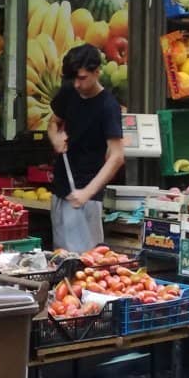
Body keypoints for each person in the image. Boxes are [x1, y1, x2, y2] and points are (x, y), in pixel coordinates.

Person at [47, 43, 125, 251]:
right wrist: (55, 138)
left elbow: (117, 157)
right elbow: (53, 123)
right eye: (73, 79)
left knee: (85, 261)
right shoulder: (69, 92)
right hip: (61, 189)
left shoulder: (108, 107)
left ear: (97, 72)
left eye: (82, 78)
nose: (77, 85)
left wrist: (87, 192)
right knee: (60, 257)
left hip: (86, 195)